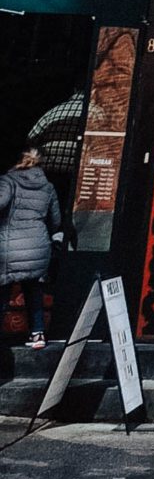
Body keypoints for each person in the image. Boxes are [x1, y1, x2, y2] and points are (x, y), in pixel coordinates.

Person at [0, 146, 65, 350]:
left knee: (3, 290)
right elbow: (56, 220)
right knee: (34, 288)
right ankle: (38, 334)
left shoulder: (8, 181)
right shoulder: (48, 187)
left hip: (9, 244)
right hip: (38, 245)